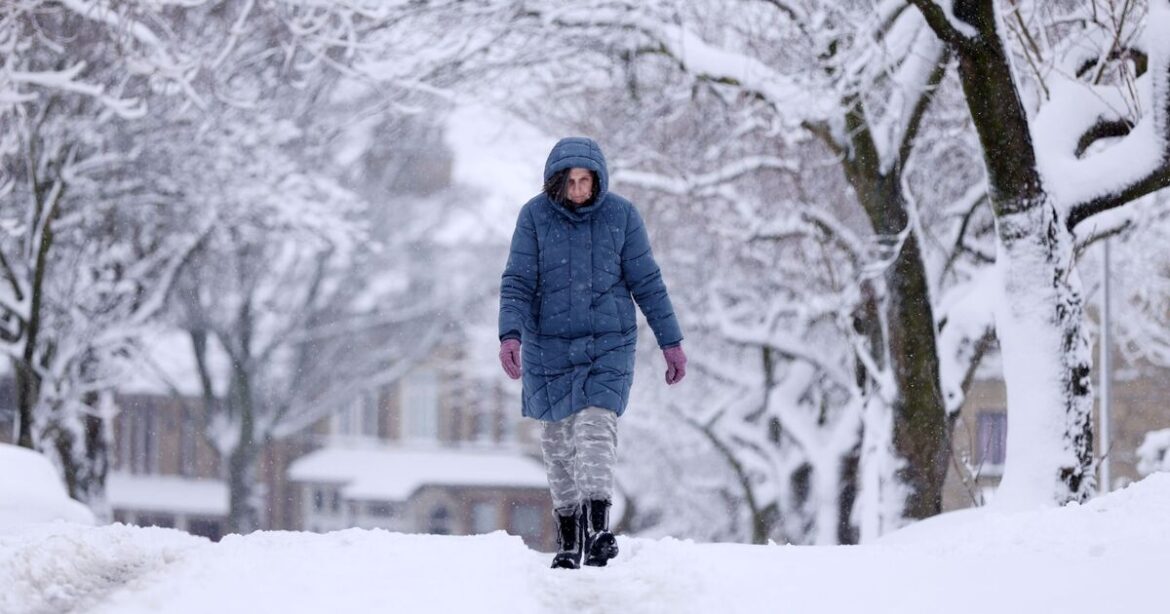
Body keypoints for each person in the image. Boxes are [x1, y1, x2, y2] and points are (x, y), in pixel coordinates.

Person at [497, 136, 687, 569]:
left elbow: (647, 281)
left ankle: (599, 529)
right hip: (548, 345)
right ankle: (569, 540)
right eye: (572, 182)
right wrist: (511, 335)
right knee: (559, 441)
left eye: (586, 181)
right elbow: (518, 281)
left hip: (609, 343)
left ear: (598, 180)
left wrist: (671, 342)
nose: (580, 190)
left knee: (597, 425)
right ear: (556, 183)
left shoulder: (621, 216)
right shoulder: (534, 217)